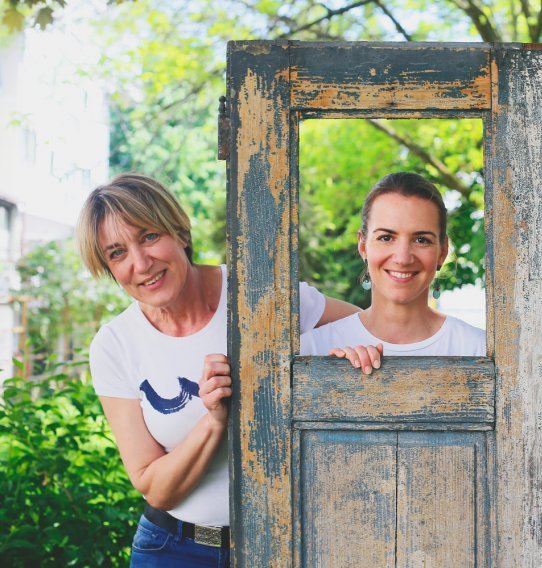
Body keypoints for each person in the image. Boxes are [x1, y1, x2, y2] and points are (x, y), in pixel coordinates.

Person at [76, 173, 358, 567]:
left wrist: (348, 353)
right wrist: (212, 421)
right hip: (172, 549)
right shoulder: (115, 344)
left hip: (284, 543)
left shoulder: (258, 291)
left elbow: (370, 329)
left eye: (149, 236)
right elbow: (155, 488)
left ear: (179, 232)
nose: (141, 263)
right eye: (117, 252)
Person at [300, 171, 485, 365]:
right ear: (363, 246)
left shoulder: (478, 349)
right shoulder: (312, 350)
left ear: (443, 251)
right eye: (386, 238)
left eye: (421, 240)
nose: (403, 258)